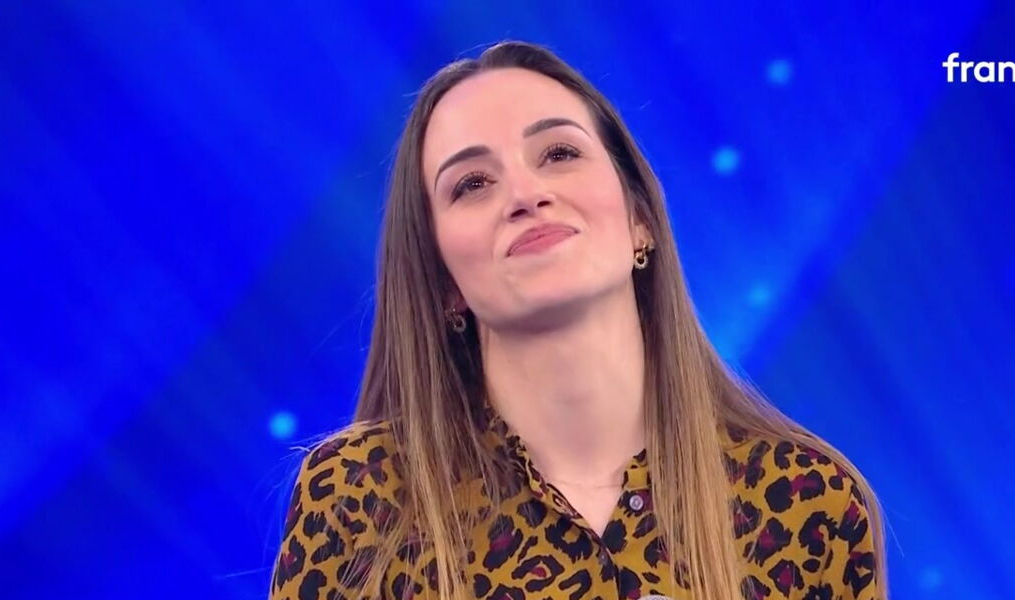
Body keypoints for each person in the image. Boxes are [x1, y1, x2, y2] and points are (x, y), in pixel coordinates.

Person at [269, 40, 887, 600]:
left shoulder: (810, 503)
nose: (525, 195)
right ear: (443, 281)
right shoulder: (360, 497)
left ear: (640, 219)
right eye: (473, 184)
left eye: (559, 153)